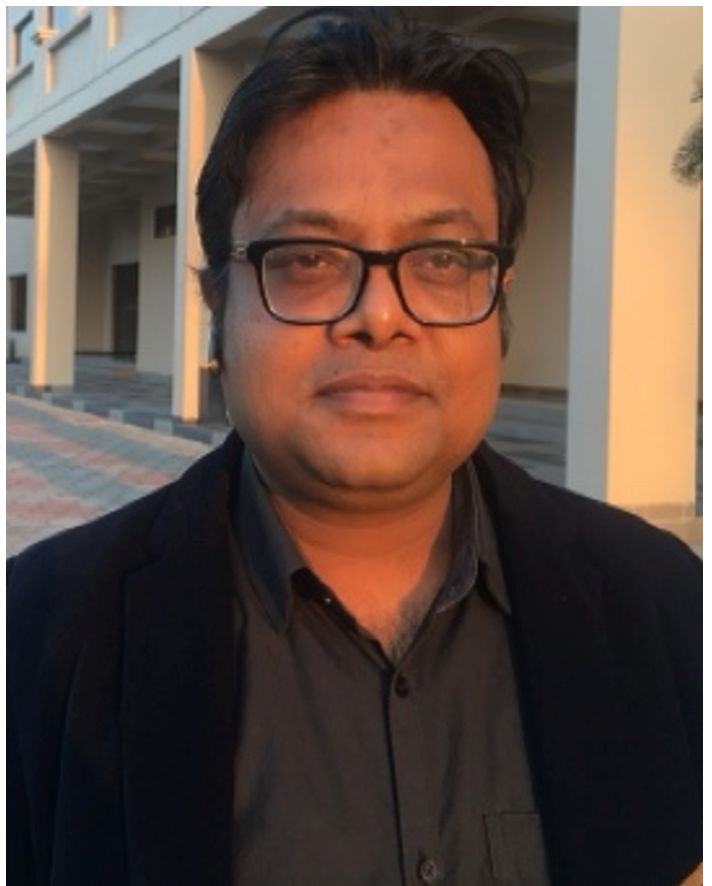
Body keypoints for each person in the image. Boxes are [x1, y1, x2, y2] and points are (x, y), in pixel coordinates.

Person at [7, 9, 701, 886]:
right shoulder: (42, 638)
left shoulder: (665, 608)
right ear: (217, 303)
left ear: (499, 296)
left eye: (442, 259)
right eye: (308, 258)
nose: (379, 316)